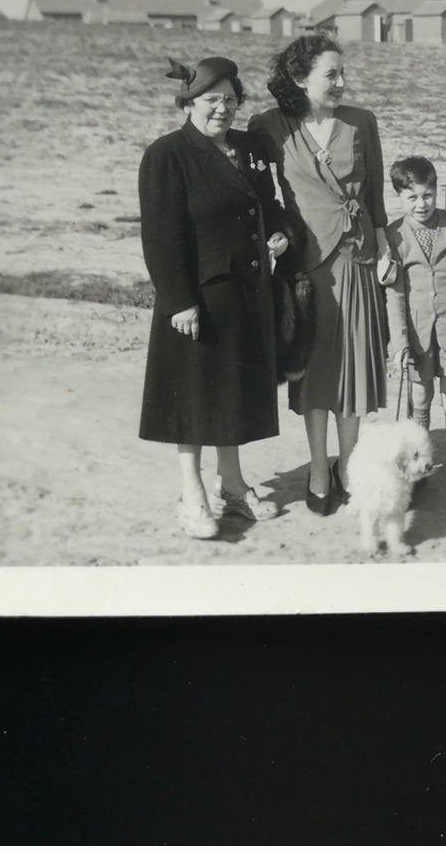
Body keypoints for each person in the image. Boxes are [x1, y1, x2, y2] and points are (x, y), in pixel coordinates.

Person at [138, 56, 290, 538]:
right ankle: (192, 495)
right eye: (211, 100)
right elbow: (161, 237)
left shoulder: (246, 148)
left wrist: (281, 234)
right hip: (198, 300)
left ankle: (233, 485)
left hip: (246, 294)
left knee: (233, 393)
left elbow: (269, 205)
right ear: (188, 103)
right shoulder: (167, 155)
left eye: (230, 99)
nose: (222, 109)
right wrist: (178, 301)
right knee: (194, 397)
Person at [249, 33, 393, 515]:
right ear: (299, 77)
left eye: (342, 72)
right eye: (331, 74)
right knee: (314, 377)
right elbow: (256, 194)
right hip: (308, 268)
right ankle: (317, 465)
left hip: (357, 260)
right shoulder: (268, 126)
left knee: (353, 372)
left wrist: (386, 249)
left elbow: (374, 198)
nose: (342, 82)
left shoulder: (362, 122)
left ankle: (347, 463)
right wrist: (276, 234)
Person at [384, 155, 446, 512]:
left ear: (436, 191)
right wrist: (399, 343)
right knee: (420, 402)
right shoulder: (393, 234)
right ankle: (419, 473)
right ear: (398, 196)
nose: (422, 204)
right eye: (411, 197)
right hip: (416, 336)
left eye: (428, 195)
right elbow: (395, 294)